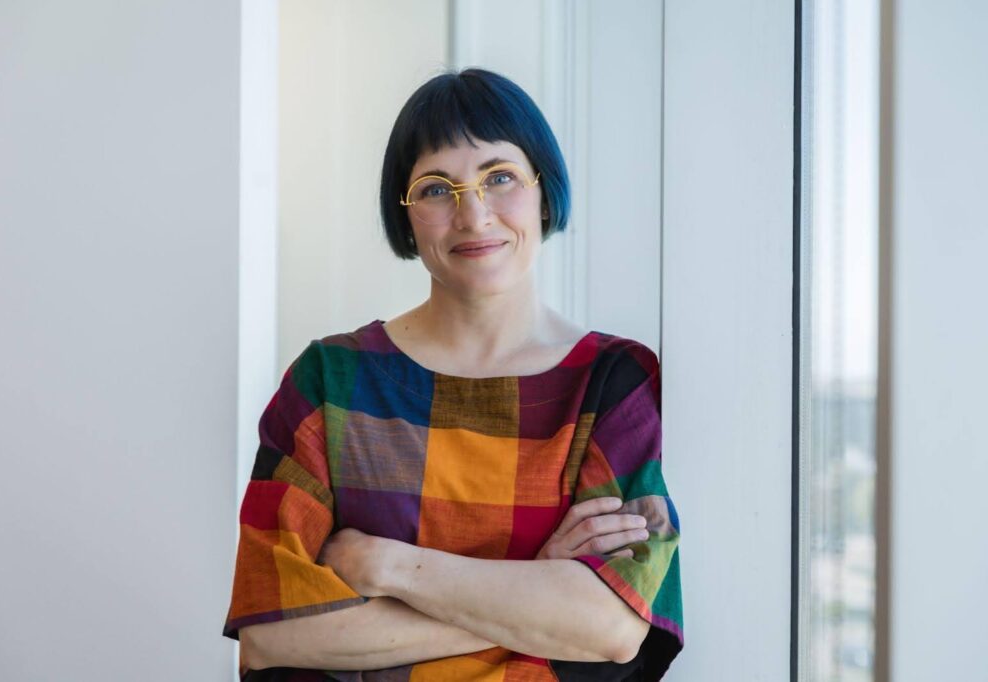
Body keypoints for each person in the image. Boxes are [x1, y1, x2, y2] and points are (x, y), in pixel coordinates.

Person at [222, 67, 683, 681]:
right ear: (406, 214)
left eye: (500, 177)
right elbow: (270, 637)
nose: (473, 214)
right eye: (437, 188)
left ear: (545, 191)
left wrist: (391, 569)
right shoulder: (329, 382)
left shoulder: (613, 381)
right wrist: (536, 589)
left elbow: (615, 627)